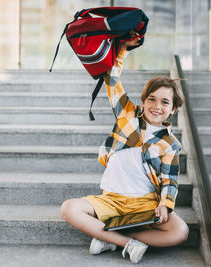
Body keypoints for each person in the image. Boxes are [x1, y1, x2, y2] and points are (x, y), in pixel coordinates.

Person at [60, 33, 188, 264]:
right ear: (143, 101)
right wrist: (123, 51)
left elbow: (170, 180)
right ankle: (125, 242)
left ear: (174, 109)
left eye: (164, 102)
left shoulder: (170, 144)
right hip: (111, 200)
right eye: (151, 99)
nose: (156, 106)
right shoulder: (128, 115)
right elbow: (112, 80)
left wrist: (164, 204)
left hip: (144, 204)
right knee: (69, 208)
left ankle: (108, 235)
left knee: (181, 232)